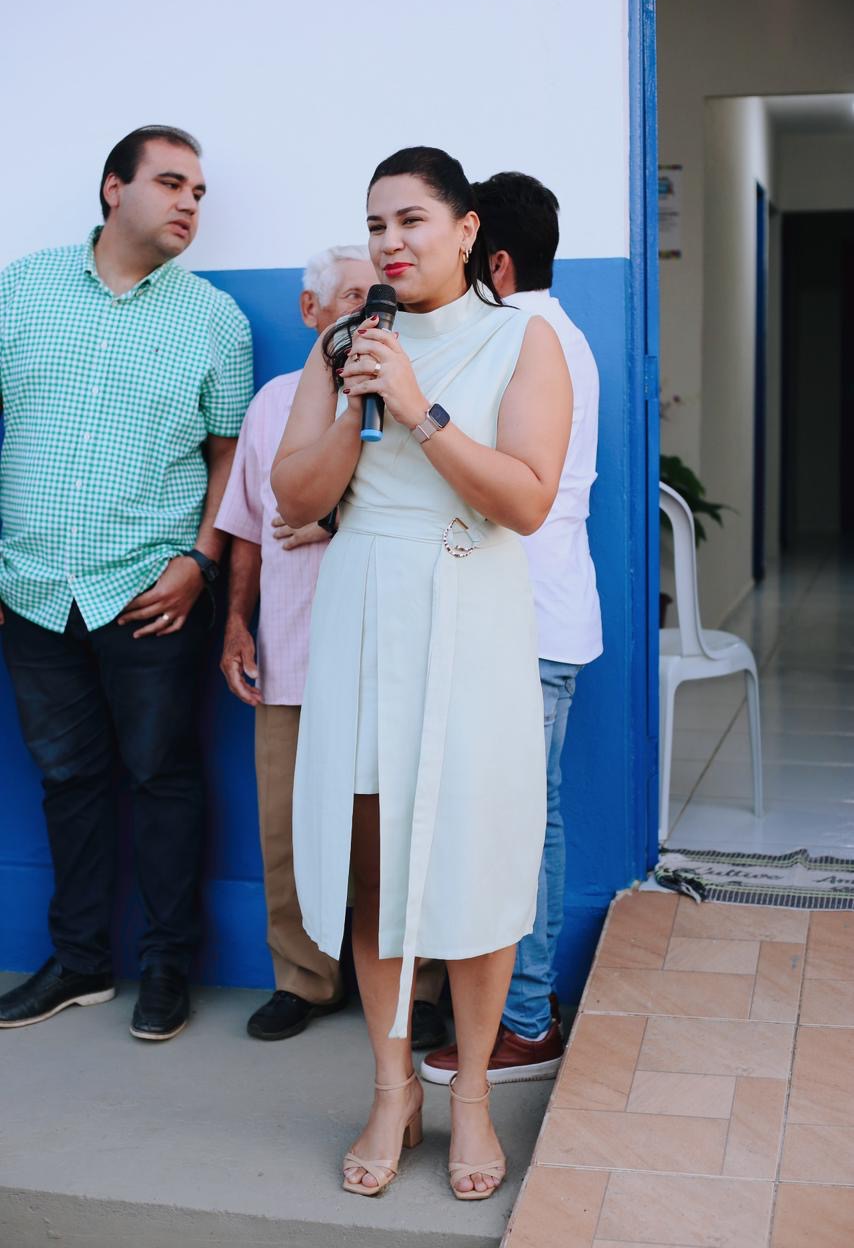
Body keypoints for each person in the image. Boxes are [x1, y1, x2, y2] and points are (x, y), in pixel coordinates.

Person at [272, 147, 572, 1200]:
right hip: (365, 610)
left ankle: (472, 1096)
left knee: (476, 862)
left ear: (465, 229)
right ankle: (391, 1087)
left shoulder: (522, 339)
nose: (390, 242)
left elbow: (525, 500)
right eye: (375, 224)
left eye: (411, 220)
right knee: (375, 867)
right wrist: (354, 404)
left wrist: (415, 408)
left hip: (471, 608)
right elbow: (294, 498)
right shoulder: (344, 343)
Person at [0, 125, 253, 1042]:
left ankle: (167, 966)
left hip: (151, 593)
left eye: (200, 193)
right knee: (66, 781)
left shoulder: (215, 319)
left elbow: (230, 459)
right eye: (172, 183)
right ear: (115, 188)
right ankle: (78, 964)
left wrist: (200, 564)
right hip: (31, 589)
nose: (190, 204)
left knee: (162, 779)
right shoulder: (21, 289)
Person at [216, 245, 448, 1048]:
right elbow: (250, 526)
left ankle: (419, 987)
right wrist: (236, 622)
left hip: (387, 650)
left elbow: (433, 507)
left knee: (401, 831)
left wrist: (330, 519)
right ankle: (302, 979)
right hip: (290, 649)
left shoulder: (411, 393)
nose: (365, 313)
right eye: (349, 298)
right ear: (311, 313)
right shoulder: (273, 403)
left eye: (375, 299)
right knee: (287, 830)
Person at [422, 172, 603, 1085]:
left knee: (515, 828)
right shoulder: (558, 335)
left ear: (490, 259)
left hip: (522, 619)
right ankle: (523, 1011)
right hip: (542, 615)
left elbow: (496, 486)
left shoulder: (524, 339)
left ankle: (523, 1021)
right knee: (531, 820)